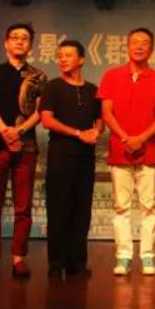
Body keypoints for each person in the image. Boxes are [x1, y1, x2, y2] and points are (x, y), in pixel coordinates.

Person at [0, 23, 47, 278]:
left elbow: (40, 111)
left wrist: (19, 131)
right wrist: (5, 131)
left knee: (23, 207)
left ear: (30, 45)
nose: (19, 41)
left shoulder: (38, 76)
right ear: (5, 43)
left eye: (24, 38)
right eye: (14, 37)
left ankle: (18, 258)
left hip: (26, 147)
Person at [97, 28, 155, 276]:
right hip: (120, 149)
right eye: (135, 42)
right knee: (121, 207)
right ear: (127, 46)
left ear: (152, 49)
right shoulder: (112, 75)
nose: (139, 46)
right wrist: (126, 138)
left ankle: (148, 256)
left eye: (144, 43)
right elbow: (106, 112)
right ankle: (123, 256)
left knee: (150, 207)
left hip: (150, 150)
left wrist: (142, 138)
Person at [40, 40, 103, 277]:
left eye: (68, 55)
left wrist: (96, 131)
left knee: (82, 210)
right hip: (60, 155)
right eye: (60, 56)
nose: (63, 59)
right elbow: (47, 120)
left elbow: (100, 120)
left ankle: (78, 263)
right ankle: (56, 263)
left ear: (82, 60)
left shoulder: (93, 89)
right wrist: (78, 133)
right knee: (58, 209)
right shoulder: (52, 87)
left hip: (86, 157)